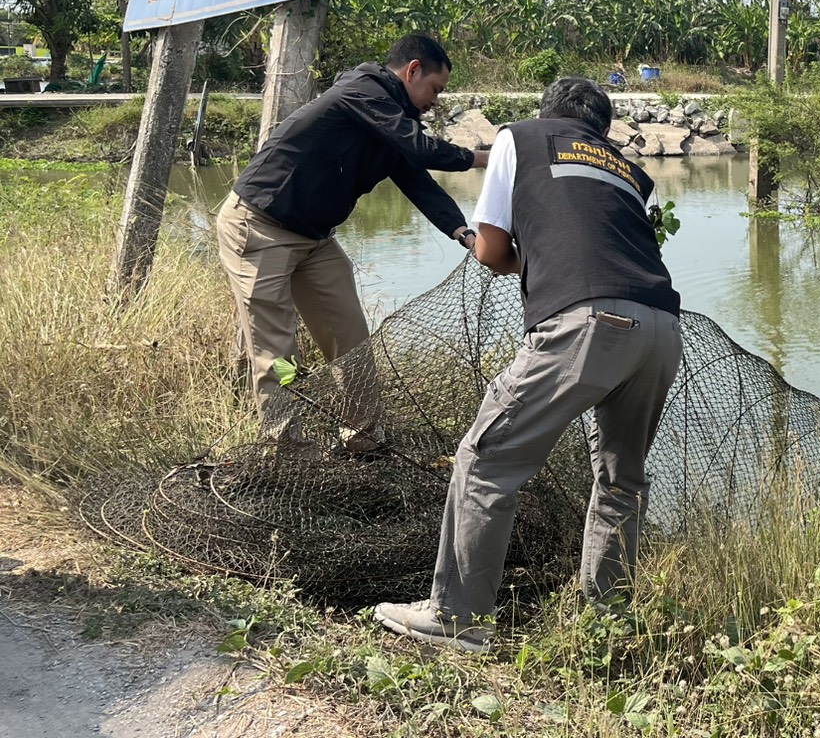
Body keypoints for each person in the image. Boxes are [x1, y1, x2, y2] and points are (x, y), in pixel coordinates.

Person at [375, 76, 682, 653]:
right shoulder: (630, 172)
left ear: (550, 113)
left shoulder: (523, 138)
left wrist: (525, 256)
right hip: (663, 329)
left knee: (486, 459)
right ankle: (609, 620)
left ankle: (457, 619)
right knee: (622, 481)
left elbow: (492, 251)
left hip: (586, 322)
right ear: (602, 129)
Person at [215, 34, 489, 455]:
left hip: (315, 239)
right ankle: (287, 449)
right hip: (260, 228)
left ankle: (363, 438)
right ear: (412, 70)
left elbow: (416, 178)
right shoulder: (363, 90)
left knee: (351, 340)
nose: (435, 100)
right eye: (435, 89)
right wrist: (480, 157)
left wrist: (463, 233)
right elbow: (421, 149)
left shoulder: (393, 120)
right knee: (278, 349)